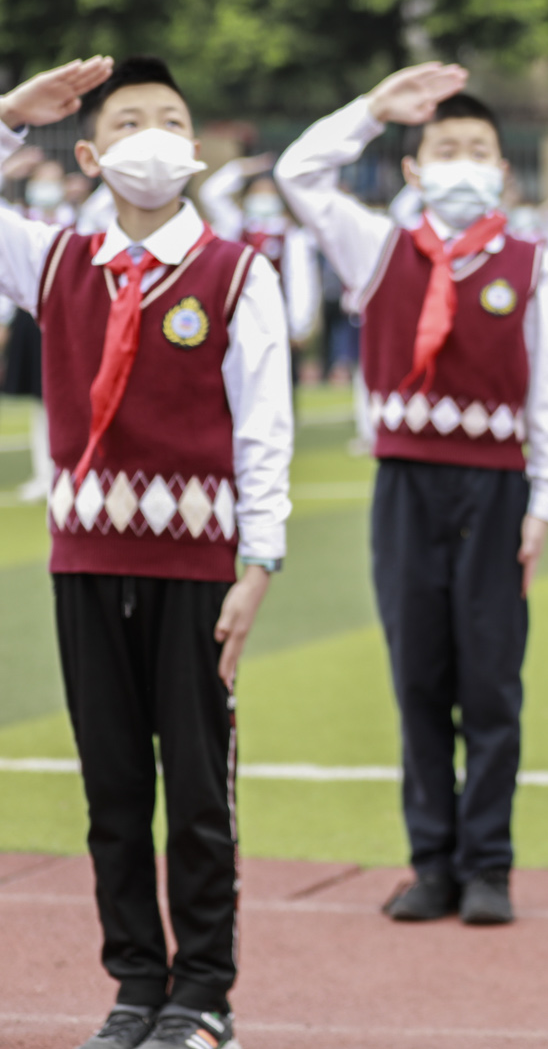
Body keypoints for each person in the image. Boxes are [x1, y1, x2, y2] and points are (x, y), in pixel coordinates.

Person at [0, 55, 293, 1049]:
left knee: (199, 793)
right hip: (86, 563)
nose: (153, 137)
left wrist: (259, 566)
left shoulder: (236, 273)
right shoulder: (52, 262)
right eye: (129, 123)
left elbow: (265, 430)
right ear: (87, 153)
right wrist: (8, 117)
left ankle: (203, 993)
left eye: (171, 119)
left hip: (198, 570)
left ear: (198, 151)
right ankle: (135, 983)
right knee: (113, 786)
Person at [277, 70, 548, 926]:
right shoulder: (374, 249)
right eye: (444, 150)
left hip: (495, 486)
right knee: (418, 679)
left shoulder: (529, 263)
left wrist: (543, 501)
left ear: (505, 175)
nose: (462, 163)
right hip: (405, 483)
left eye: (478, 151)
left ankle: (488, 864)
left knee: (490, 682)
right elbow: (301, 173)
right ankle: (430, 862)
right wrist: (371, 110)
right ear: (413, 169)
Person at [197, 157, 322, 359]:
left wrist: (299, 325)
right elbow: (211, 194)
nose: (263, 198)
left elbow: (300, 281)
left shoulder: (291, 235)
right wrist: (240, 169)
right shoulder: (236, 225)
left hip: (275, 319)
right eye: (258, 192)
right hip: (234, 316)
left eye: (269, 193)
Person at [2, 150, 72, 500]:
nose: (47, 186)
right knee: (38, 398)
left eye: (53, 178)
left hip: (73, 317)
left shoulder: (81, 219)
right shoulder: (17, 218)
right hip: (31, 318)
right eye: (40, 179)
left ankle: (71, 472)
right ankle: (44, 475)